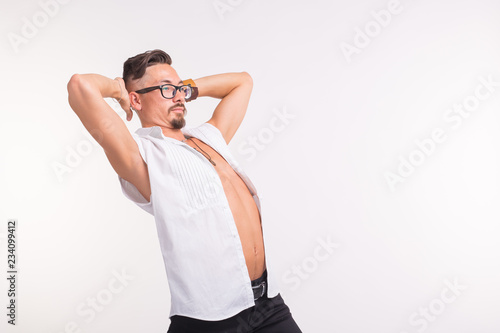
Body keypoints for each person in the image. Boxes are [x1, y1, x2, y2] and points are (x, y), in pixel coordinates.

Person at [67, 49, 302, 332]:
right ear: (136, 99)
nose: (179, 96)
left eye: (180, 88)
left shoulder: (209, 136)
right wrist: (118, 89)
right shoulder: (142, 157)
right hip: (212, 318)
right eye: (167, 89)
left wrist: (188, 88)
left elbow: (243, 82)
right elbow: (80, 86)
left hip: (268, 304)